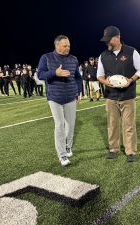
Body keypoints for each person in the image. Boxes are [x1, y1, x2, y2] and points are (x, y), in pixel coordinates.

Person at [97, 26, 140, 162]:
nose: (107, 43)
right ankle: (114, 148)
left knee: (129, 124)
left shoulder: (131, 51)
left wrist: (131, 79)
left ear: (117, 38)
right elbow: (100, 75)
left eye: (109, 40)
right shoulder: (103, 55)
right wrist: (106, 82)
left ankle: (130, 151)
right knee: (112, 124)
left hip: (127, 95)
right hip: (111, 96)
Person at [38, 35, 82, 167]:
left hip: (70, 97)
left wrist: (78, 92)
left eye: (69, 45)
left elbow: (78, 78)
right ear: (57, 45)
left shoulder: (73, 59)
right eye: (65, 46)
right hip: (54, 98)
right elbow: (40, 74)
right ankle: (62, 155)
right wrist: (54, 73)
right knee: (59, 125)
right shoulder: (46, 57)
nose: (68, 48)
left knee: (70, 125)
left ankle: (68, 147)